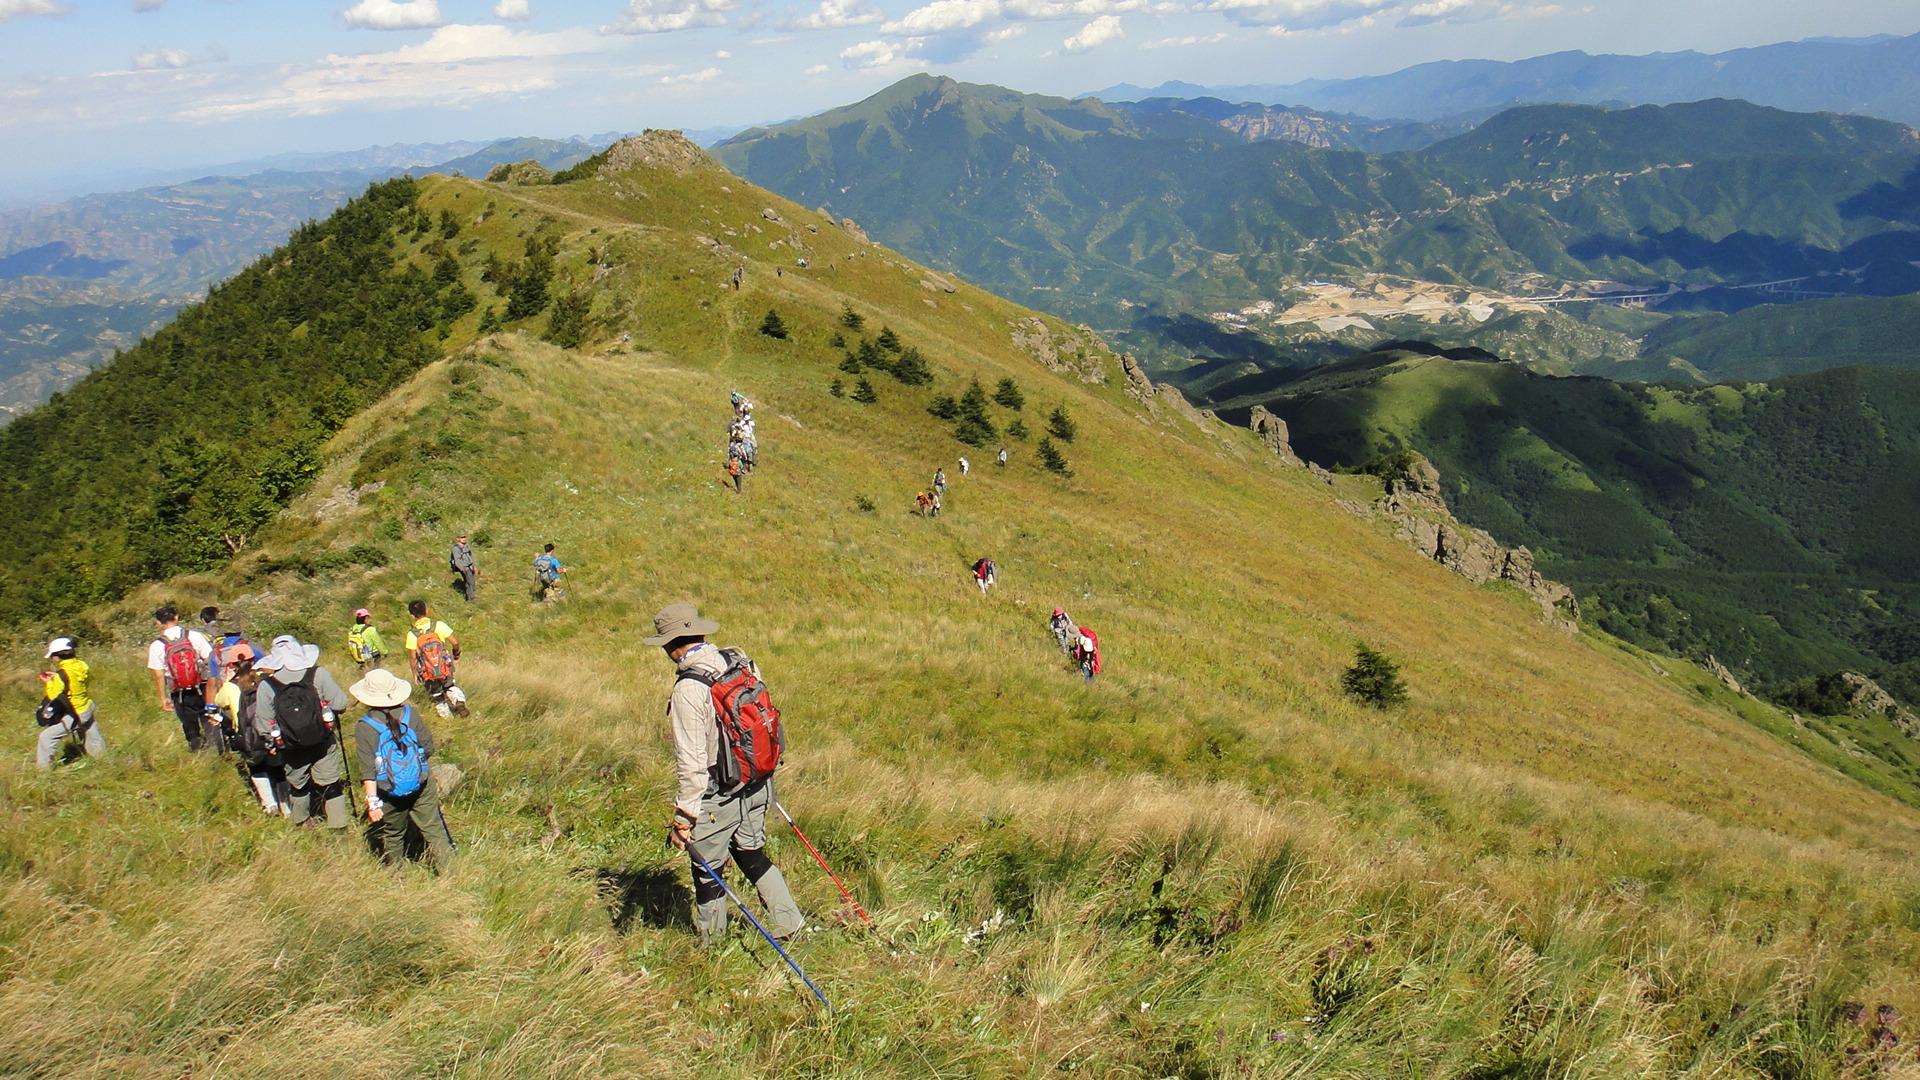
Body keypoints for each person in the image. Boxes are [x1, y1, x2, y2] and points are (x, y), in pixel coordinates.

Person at [648, 602, 805, 946]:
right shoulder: (740, 661)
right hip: (758, 780)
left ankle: (713, 946)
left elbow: (692, 763)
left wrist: (685, 816)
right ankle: (789, 922)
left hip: (718, 793)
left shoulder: (689, 689)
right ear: (700, 632)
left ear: (670, 645)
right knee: (750, 852)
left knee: (708, 870)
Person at [350, 668, 456, 872]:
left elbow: (368, 769)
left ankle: (396, 876)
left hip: (388, 790)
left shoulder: (365, 726)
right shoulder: (410, 713)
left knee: (393, 834)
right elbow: (428, 747)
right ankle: (451, 874)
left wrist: (372, 804)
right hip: (421, 783)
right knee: (434, 829)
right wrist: (413, 769)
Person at [254, 635, 351, 830]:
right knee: (331, 782)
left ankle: (302, 822)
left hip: (290, 746)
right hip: (323, 740)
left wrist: (273, 743)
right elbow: (340, 704)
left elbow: (263, 724)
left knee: (298, 784)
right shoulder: (318, 674)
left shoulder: (267, 685)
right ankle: (338, 826)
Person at [213, 646, 285, 815]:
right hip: (272, 731)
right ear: (254, 660)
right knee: (278, 770)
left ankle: (270, 805)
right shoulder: (267, 679)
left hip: (248, 738)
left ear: (232, 664)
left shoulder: (231, 686)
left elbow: (219, 702)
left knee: (257, 769)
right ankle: (287, 807)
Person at [148, 605, 215, 752]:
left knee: (189, 724)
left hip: (179, 691)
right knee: (209, 719)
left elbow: (158, 675)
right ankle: (216, 751)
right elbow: (209, 659)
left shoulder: (157, 645)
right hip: (201, 686)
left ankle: (197, 750)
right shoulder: (195, 636)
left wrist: (162, 698)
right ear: (176, 617)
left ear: (158, 623)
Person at [36, 637, 104, 768]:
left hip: (75, 712)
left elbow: (53, 695)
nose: (52, 659)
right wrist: (57, 678)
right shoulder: (81, 665)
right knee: (90, 731)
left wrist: (48, 682)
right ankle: (102, 761)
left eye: (52, 656)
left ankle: (43, 771)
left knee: (46, 737)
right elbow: (78, 681)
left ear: (58, 656)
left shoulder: (62, 674)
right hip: (86, 705)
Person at [405, 600, 468, 718]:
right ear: (427, 611)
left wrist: (415, 675)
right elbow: (455, 643)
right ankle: (459, 701)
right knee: (450, 686)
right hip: (444, 666)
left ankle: (448, 719)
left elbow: (413, 658)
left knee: (436, 695)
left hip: (427, 672)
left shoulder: (412, 635)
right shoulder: (439, 625)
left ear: (412, 616)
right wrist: (456, 655)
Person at [347, 608, 387, 673]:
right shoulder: (370, 629)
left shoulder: (352, 629)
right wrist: (385, 652)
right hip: (372, 656)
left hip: (359, 656)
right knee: (376, 673)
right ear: (365, 619)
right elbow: (378, 642)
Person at [450, 534, 479, 603]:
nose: (464, 539)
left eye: (464, 537)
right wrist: (462, 569)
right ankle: (470, 599)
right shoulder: (456, 549)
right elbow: (457, 560)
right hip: (465, 568)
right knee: (468, 583)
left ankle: (473, 595)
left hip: (470, 566)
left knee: (472, 582)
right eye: (462, 537)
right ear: (458, 539)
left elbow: (472, 557)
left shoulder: (466, 546)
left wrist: (474, 566)